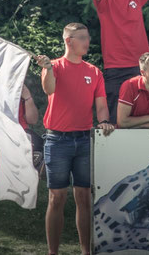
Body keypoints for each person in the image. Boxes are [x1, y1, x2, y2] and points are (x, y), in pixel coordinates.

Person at [36, 22, 115, 255]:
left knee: (83, 196)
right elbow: (49, 89)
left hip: (83, 140)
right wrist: (48, 69)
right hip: (56, 140)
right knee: (56, 198)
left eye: (88, 37)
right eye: (83, 38)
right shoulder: (54, 66)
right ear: (69, 41)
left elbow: (101, 105)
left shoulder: (94, 71)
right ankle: (53, 252)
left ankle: (85, 251)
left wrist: (103, 122)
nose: (87, 42)